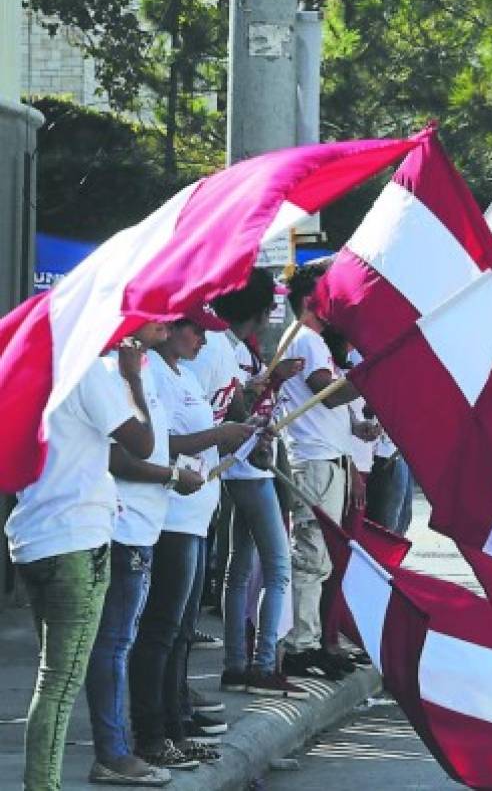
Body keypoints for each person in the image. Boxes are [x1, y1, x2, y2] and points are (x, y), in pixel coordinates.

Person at [6, 328, 159, 791]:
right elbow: (142, 443)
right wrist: (132, 380)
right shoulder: (86, 369)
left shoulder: (28, 372)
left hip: (33, 538)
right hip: (76, 541)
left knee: (53, 680)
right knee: (58, 684)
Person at [85, 322, 207, 787]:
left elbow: (149, 441)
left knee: (132, 639)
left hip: (145, 526)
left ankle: (137, 742)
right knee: (115, 645)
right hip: (123, 525)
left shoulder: (142, 369)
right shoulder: (109, 371)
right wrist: (172, 477)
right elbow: (127, 454)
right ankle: (123, 749)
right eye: (156, 313)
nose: (166, 320)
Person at [129, 318, 254, 769]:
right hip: (173, 520)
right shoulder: (153, 372)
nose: (203, 339)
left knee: (179, 633)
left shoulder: (184, 374)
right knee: (161, 631)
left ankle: (175, 726)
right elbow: (160, 445)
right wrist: (222, 434)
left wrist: (242, 435)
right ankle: (152, 733)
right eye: (195, 330)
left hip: (197, 517)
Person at [189, 269, 310, 699]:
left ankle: (237, 664)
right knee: (278, 569)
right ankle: (261, 665)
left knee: (239, 569)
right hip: (247, 470)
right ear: (260, 312)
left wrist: (266, 388)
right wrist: (269, 390)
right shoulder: (228, 349)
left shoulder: (228, 348)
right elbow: (236, 414)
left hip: (235, 468)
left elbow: (238, 409)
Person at [278, 262, 362, 681]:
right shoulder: (306, 340)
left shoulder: (313, 341)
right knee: (311, 556)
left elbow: (333, 402)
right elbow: (326, 394)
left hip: (326, 458)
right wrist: (373, 375)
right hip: (313, 459)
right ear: (311, 298)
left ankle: (309, 641)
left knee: (320, 558)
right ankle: (300, 645)